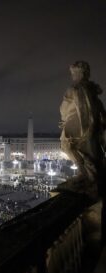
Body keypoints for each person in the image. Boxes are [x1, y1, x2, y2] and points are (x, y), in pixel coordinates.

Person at [58, 61, 106, 197]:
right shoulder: (93, 93)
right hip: (90, 127)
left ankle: (85, 174)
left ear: (80, 73)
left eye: (74, 73)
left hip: (77, 126)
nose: (72, 75)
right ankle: (89, 174)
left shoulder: (75, 89)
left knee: (67, 146)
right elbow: (101, 113)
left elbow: (80, 109)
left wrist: (86, 129)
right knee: (89, 152)